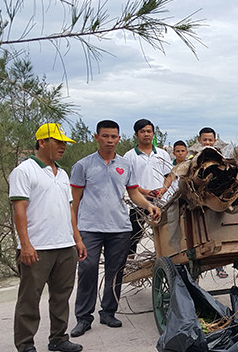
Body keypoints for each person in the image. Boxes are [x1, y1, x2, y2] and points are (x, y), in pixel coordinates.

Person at [70, 120, 161, 337]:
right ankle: (83, 317)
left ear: (119, 138)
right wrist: (76, 234)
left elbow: (133, 193)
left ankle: (108, 312)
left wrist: (148, 206)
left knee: (115, 270)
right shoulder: (83, 166)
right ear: (96, 137)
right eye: (105, 136)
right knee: (88, 269)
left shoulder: (125, 165)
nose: (110, 140)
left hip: (119, 227)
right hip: (90, 227)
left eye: (114, 136)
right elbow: (74, 202)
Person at [10, 123, 87, 352]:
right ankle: (25, 345)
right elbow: (19, 210)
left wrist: (77, 239)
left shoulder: (62, 173)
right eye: (58, 142)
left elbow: (69, 209)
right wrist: (26, 245)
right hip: (38, 247)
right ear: (42, 142)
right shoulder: (24, 171)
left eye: (65, 143)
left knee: (62, 295)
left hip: (64, 245)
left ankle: (58, 338)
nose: (63, 147)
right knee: (29, 298)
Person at [124, 119, 172, 256]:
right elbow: (128, 182)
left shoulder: (162, 154)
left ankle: (165, 262)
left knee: (164, 235)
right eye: (142, 131)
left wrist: (163, 189)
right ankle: (128, 266)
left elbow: (169, 175)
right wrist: (147, 192)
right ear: (136, 134)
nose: (146, 134)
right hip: (138, 204)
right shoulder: (129, 156)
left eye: (149, 131)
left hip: (162, 202)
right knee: (134, 237)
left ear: (153, 133)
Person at [197, 127, 229, 278]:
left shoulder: (221, 159)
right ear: (199, 141)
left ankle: (219, 266)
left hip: (217, 201)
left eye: (210, 140)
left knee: (218, 233)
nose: (207, 142)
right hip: (198, 203)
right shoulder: (195, 159)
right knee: (200, 234)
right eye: (205, 140)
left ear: (215, 141)